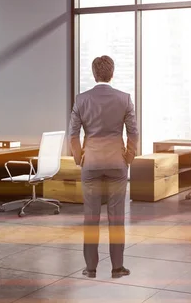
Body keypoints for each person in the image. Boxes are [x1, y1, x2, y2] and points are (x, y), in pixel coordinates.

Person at [69, 55, 138, 279]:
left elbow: (73, 135)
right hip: (117, 165)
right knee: (116, 218)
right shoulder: (124, 99)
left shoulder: (81, 100)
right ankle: (117, 268)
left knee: (91, 218)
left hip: (91, 165)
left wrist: (79, 158)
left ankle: (91, 269)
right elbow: (133, 132)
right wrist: (128, 157)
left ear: (94, 73)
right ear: (112, 73)